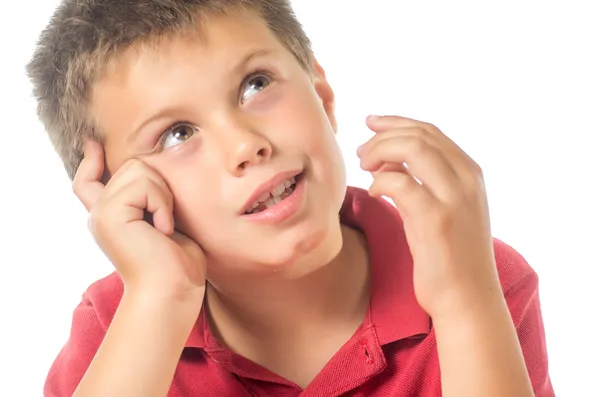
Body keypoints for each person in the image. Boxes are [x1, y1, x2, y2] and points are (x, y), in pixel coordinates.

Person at [27, 1, 554, 396]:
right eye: (177, 134)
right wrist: (160, 301)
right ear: (119, 195)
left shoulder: (478, 275)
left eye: (256, 84)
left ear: (322, 97)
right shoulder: (119, 323)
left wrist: (466, 303)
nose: (244, 145)